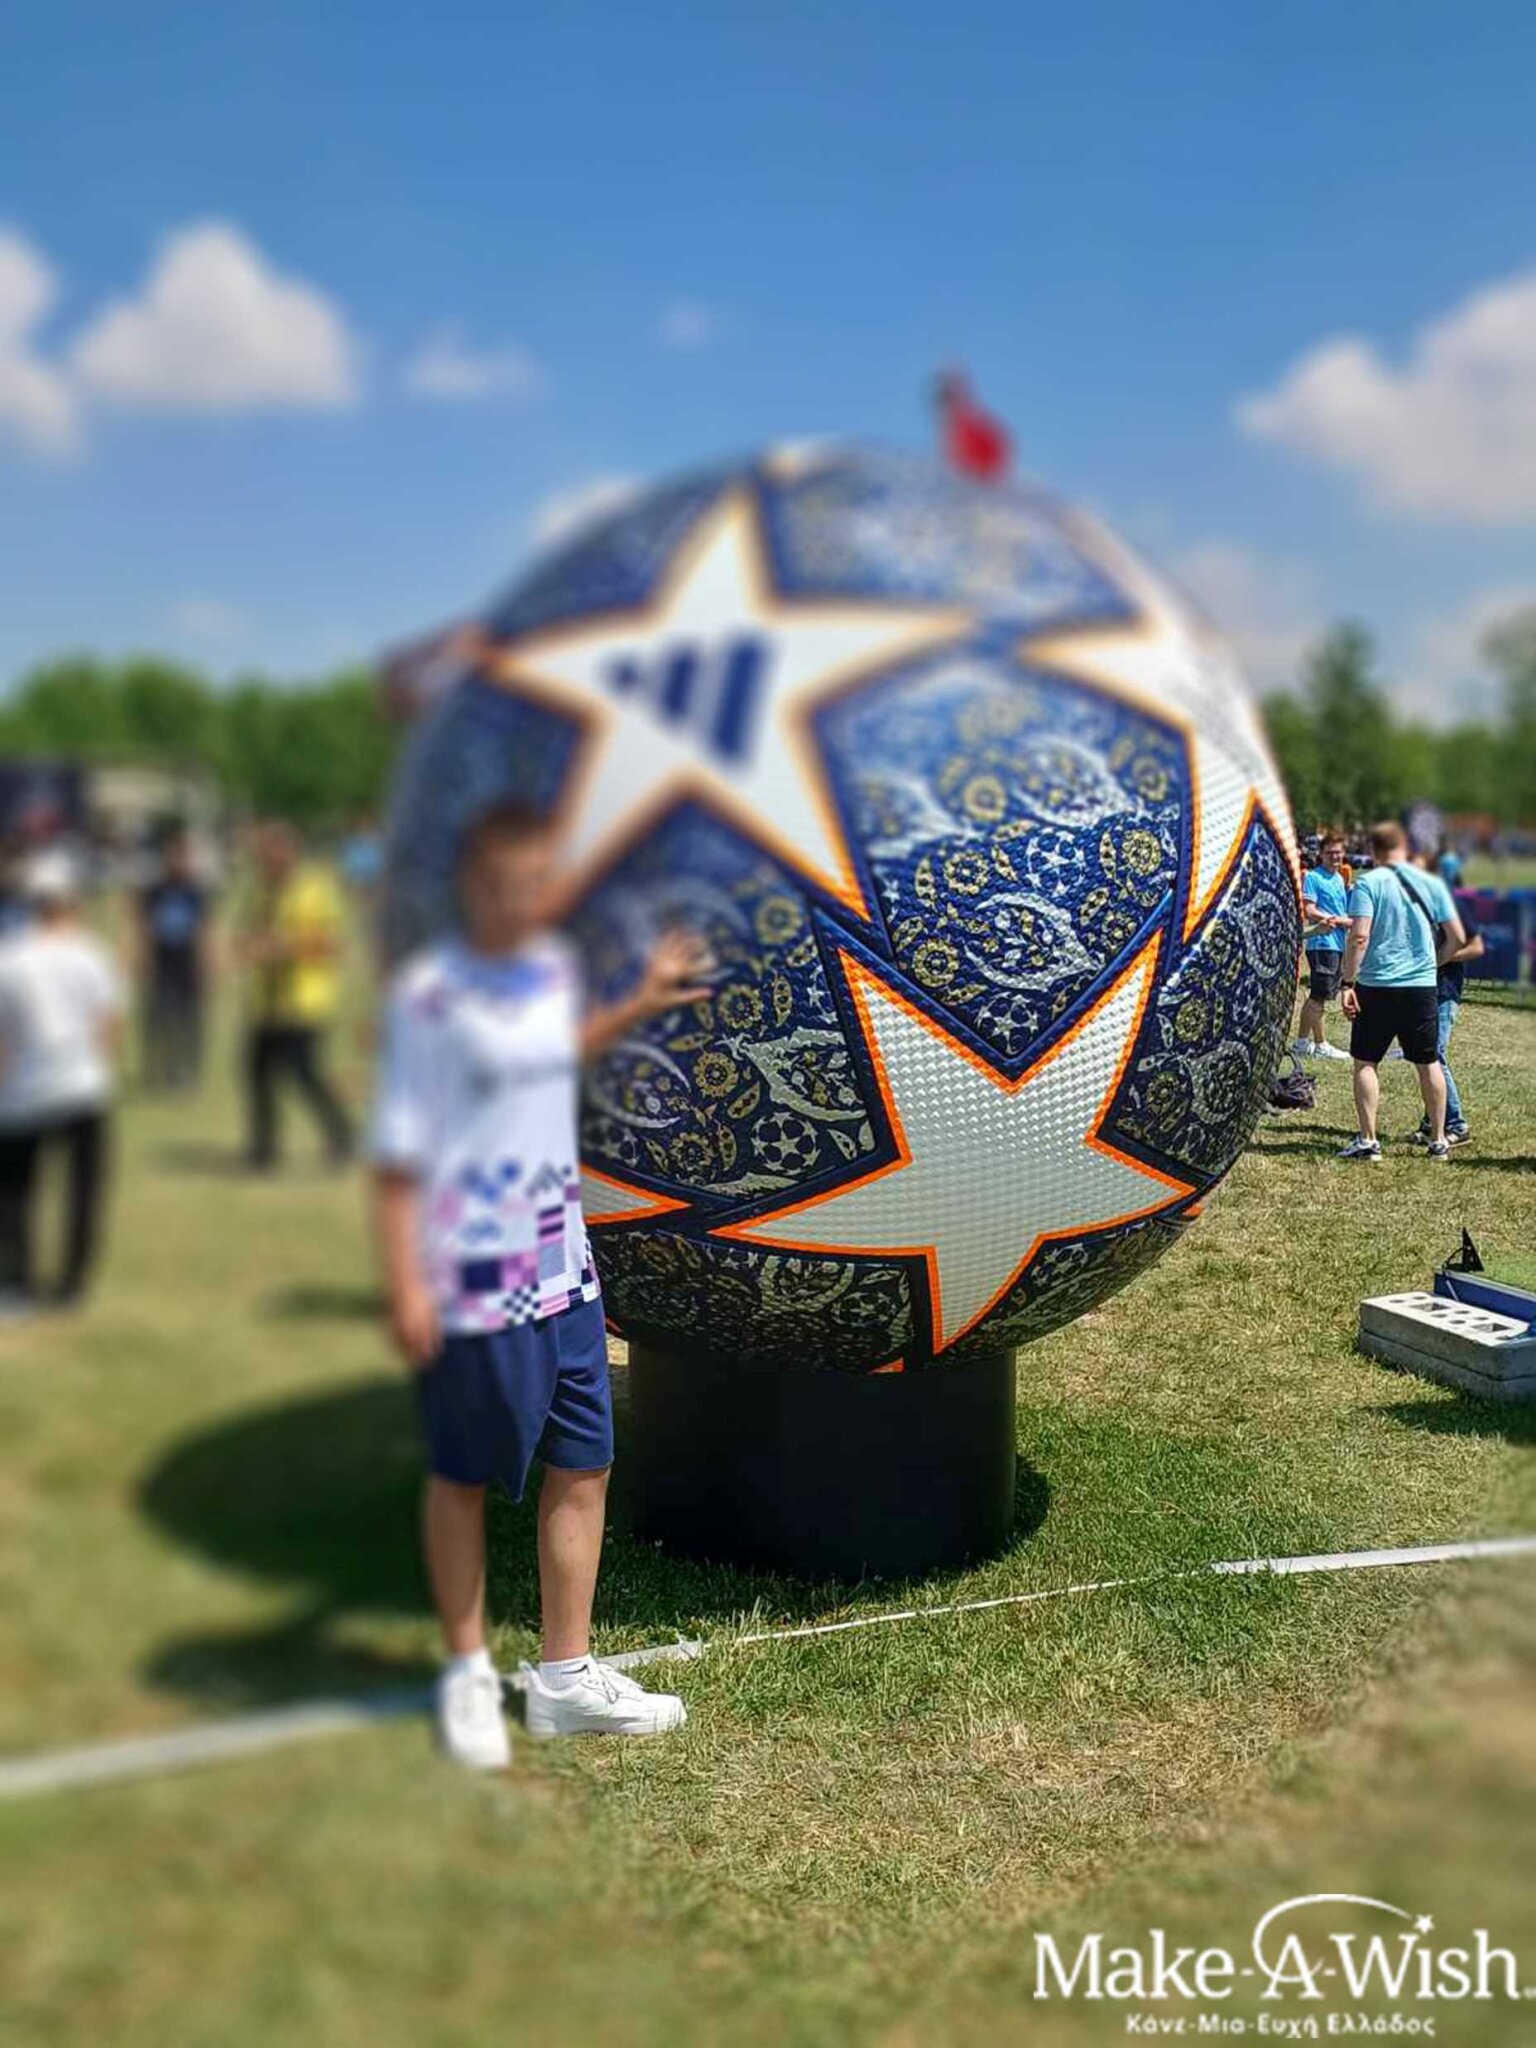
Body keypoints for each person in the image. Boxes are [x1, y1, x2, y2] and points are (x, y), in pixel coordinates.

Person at [370, 800, 714, 1769]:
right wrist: (405, 1284)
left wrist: (642, 999)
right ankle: (468, 1673)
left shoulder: (548, 974)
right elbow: (397, 1154)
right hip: (476, 1281)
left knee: (585, 1464)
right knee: (462, 1478)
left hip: (566, 1271)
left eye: (534, 885)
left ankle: (564, 1678)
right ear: (468, 886)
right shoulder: (430, 998)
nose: (518, 902)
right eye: (500, 885)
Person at [0, 850, 124, 1316]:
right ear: (71, 901)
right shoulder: (92, 954)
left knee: (15, 1195)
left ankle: (17, 1286)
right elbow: (107, 1027)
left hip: (22, 1091)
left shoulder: (9, 955)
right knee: (83, 1190)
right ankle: (71, 1285)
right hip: (83, 1085)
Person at [1336, 821, 1464, 1164]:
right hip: (1421, 987)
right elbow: (1456, 937)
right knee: (1428, 1063)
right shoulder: (1431, 884)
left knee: (1366, 1062)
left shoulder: (1369, 883)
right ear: (1404, 847)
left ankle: (1368, 1140)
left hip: (1376, 985)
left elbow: (1359, 937)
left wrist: (1347, 983)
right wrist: (1433, 964)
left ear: (1373, 850)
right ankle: (1439, 1141)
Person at [240, 822, 353, 1170]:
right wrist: (246, 947)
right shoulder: (259, 893)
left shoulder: (314, 891)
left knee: (304, 1076)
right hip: (266, 1002)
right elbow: (250, 936)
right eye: (263, 856)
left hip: (304, 1001)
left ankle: (342, 1135)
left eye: (275, 853)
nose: (268, 862)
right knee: (256, 1074)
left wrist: (285, 947)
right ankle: (263, 1149)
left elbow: (333, 944)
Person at [1410, 849, 1482, 1148]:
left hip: (1444, 990)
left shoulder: (1453, 903)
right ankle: (1432, 1121)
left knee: (1434, 1054)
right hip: (1419, 988)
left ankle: (1456, 1124)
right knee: (1424, 1055)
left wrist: (1440, 960)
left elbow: (1476, 947)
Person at [137, 827, 212, 1091]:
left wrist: (206, 964)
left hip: (187, 965)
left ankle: (188, 1072)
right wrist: (143, 959)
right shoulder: (155, 890)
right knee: (158, 1021)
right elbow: (144, 926)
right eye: (173, 855)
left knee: (189, 1023)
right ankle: (158, 1070)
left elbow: (204, 929)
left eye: (182, 856)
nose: (178, 861)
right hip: (162, 965)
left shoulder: (196, 891)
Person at [1291, 832, 1353, 1061]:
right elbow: (1309, 910)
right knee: (1319, 997)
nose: (1335, 857)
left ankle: (1302, 1043)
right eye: (1330, 853)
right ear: (1321, 854)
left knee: (1318, 996)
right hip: (1322, 942)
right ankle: (1320, 1044)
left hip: (1336, 943)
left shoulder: (1339, 878)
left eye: (1338, 852)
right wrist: (1338, 920)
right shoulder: (1314, 877)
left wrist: (1344, 920)